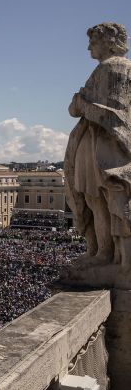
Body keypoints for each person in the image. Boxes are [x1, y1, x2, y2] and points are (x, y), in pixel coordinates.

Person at [65, 22, 131, 268]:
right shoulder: (114, 69)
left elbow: (112, 114)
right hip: (99, 143)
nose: (88, 47)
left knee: (97, 200)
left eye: (92, 41)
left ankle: (103, 253)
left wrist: (81, 104)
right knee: (98, 200)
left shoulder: (111, 68)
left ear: (108, 42)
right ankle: (104, 252)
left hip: (100, 145)